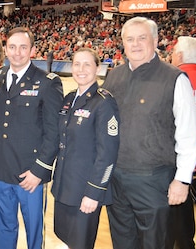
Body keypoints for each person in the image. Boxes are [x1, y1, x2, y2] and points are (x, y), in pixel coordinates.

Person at [102, 17, 196, 249]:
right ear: (123, 43)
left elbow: (189, 135)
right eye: (130, 39)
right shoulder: (113, 76)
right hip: (116, 180)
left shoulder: (174, 79)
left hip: (154, 181)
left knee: (155, 244)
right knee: (123, 243)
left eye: (142, 38)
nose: (135, 44)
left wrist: (183, 179)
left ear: (156, 41)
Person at [0, 27, 63, 249]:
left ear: (33, 50)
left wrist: (40, 170)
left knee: (33, 232)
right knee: (2, 229)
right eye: (12, 47)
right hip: (1, 170)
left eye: (23, 47)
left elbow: (54, 132)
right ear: (5, 49)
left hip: (30, 175)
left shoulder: (48, 82)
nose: (17, 52)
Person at [52, 48, 120, 249]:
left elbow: (107, 154)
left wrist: (94, 193)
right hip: (65, 187)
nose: (81, 69)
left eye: (87, 64)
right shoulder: (69, 98)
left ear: (97, 68)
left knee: (81, 244)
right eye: (76, 64)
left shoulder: (104, 102)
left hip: (85, 191)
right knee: (66, 239)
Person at [170, 36, 196, 249]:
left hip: (172, 158)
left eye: (174, 51)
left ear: (181, 56)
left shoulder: (176, 79)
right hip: (195, 159)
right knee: (183, 214)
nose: (172, 54)